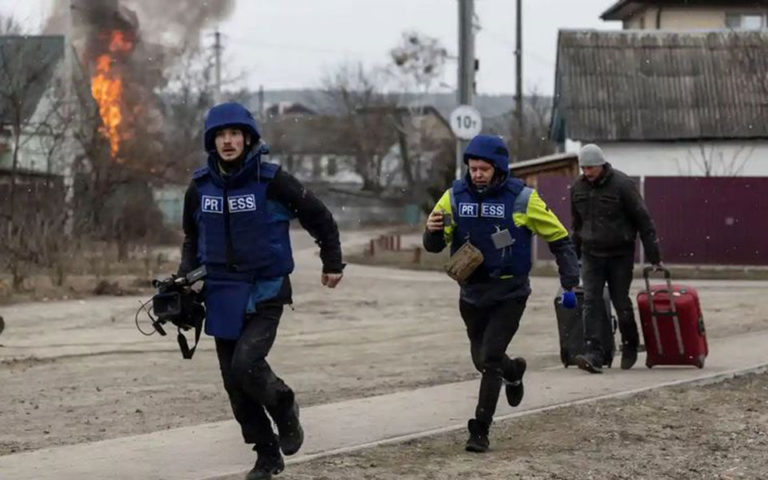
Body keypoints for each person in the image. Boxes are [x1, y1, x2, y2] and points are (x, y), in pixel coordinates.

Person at [177, 102, 344, 480]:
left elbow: (318, 215)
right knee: (235, 386)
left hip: (265, 290)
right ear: (212, 142)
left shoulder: (272, 181)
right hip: (220, 295)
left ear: (248, 137)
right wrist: (184, 278)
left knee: (247, 365)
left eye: (235, 134)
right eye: (221, 135)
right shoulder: (199, 187)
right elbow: (192, 238)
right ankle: (267, 455)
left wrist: (332, 261)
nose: (228, 141)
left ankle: (285, 406)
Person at [423, 134, 579, 453]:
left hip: (510, 292)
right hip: (471, 292)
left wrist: (570, 278)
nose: (477, 174)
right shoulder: (454, 196)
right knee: (482, 360)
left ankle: (480, 429)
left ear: (498, 168)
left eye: (484, 168)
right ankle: (514, 371)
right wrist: (431, 231)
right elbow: (435, 244)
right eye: (473, 168)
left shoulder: (522, 198)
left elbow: (560, 239)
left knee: (490, 357)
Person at [570, 144, 662, 374]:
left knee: (621, 301)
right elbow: (576, 226)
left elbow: (644, 220)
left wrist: (654, 257)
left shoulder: (622, 185)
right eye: (584, 168)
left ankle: (630, 343)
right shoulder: (578, 188)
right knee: (591, 301)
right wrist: (572, 260)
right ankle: (594, 351)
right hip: (591, 254)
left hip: (620, 254)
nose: (587, 172)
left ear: (601, 165)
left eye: (591, 167)